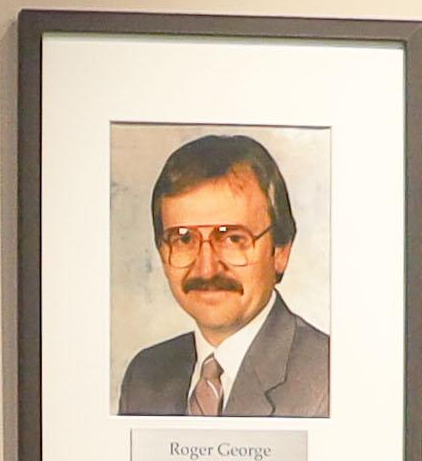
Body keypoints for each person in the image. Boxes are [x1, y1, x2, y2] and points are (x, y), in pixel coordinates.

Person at [111, 134, 329, 422]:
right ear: (162, 252)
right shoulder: (145, 376)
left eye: (232, 239)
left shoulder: (328, 380)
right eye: (183, 238)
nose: (206, 269)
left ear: (280, 251)